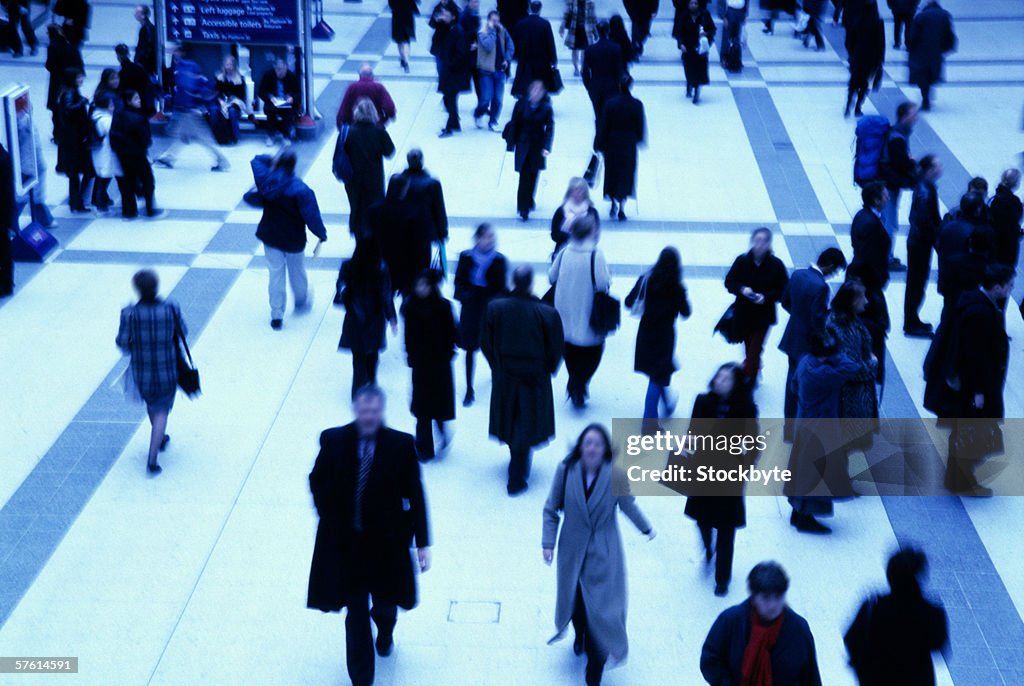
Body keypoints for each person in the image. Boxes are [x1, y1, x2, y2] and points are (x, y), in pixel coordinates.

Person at [306, 385, 431, 686]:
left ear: (381, 412)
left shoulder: (400, 446)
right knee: (356, 614)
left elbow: (415, 494)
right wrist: (329, 513)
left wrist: (422, 543)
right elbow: (316, 479)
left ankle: (386, 630)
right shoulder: (334, 440)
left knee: (385, 604)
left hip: (385, 545)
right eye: (364, 411)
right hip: (348, 546)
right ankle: (362, 678)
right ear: (356, 410)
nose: (369, 417)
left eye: (374, 412)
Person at [543, 424, 654, 686]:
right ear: (581, 446)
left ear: (605, 449)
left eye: (597, 443)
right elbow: (551, 509)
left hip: (604, 550)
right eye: (588, 443)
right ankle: (579, 631)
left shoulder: (615, 475)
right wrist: (548, 543)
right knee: (577, 601)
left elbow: (628, 504)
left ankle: (595, 666)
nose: (592, 448)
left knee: (603, 609)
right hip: (572, 549)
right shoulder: (565, 470)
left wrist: (645, 526)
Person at [481, 265, 564, 495]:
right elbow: (556, 346)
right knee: (526, 420)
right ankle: (517, 472)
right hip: (533, 377)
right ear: (530, 283)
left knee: (511, 417)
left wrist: (496, 366)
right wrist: (548, 369)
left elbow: (485, 342)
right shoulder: (545, 312)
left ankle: (516, 465)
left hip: (506, 375)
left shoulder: (496, 308)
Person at [683, 363, 759, 597]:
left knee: (726, 528)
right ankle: (708, 547)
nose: (720, 381)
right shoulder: (703, 402)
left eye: (726, 378)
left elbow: (753, 443)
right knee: (702, 519)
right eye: (718, 376)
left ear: (735, 385)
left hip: (730, 473)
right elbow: (692, 433)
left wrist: (746, 468)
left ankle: (722, 578)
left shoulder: (745, 408)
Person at [944, 265, 1014, 495]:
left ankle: (957, 477)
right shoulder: (980, 313)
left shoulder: (975, 302)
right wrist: (978, 391)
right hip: (978, 387)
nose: (1011, 290)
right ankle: (962, 479)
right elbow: (975, 355)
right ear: (996, 288)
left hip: (977, 384)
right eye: (1009, 286)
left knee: (968, 429)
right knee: (974, 431)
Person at [786, 331, 862, 533]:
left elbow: (794, 386)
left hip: (806, 421)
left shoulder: (806, 362)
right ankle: (805, 517)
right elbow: (852, 366)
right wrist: (836, 356)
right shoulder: (822, 373)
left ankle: (798, 512)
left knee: (803, 469)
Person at [115, 270, 188, 475]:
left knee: (151, 403)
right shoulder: (170, 308)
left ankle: (160, 436)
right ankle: (152, 458)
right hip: (167, 366)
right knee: (163, 408)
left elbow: (122, 343)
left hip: (142, 368)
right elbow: (183, 331)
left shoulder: (129, 313)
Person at [701, 562, 822, 684]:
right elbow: (710, 660)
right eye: (766, 598)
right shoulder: (730, 621)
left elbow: (811, 676)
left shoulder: (799, 630)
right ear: (753, 597)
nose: (773, 605)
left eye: (778, 597)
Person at [845, 547, 949, 686]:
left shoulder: (873, 606)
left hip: (877, 677)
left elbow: (851, 637)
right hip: (916, 679)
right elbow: (938, 644)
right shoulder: (931, 612)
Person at [251, 150, 328, 330]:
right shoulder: (301, 189)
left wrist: (274, 160)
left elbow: (256, 160)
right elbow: (311, 216)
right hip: (294, 238)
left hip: (270, 235)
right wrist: (321, 233)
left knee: (275, 274)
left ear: (278, 164)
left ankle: (276, 314)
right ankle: (301, 302)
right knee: (297, 272)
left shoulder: (266, 181)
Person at [779, 247, 848, 438]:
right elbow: (818, 321)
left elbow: (785, 301)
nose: (832, 276)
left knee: (790, 383)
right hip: (806, 344)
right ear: (829, 266)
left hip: (792, 337)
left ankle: (789, 428)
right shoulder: (820, 287)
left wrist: (798, 316)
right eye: (834, 271)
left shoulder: (798, 274)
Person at [548, 216, 610, 409]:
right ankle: (579, 383)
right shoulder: (596, 255)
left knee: (570, 350)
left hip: (565, 310)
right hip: (588, 311)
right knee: (593, 351)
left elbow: (551, 277)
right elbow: (602, 284)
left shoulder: (564, 251)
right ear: (591, 232)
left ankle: (575, 382)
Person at [624, 247, 691, 420]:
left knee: (657, 372)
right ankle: (649, 423)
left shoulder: (646, 279)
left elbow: (628, 301)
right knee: (658, 375)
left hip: (646, 333)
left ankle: (668, 404)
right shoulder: (676, 286)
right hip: (665, 336)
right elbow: (686, 312)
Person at [402, 270, 457, 460]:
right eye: (418, 285)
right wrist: (410, 355)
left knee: (437, 405)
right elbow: (408, 335)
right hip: (422, 363)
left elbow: (452, 332)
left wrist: (449, 352)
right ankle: (425, 448)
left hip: (439, 362)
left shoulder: (443, 307)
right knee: (423, 410)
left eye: (424, 285)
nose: (421, 289)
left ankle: (441, 431)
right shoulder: (410, 308)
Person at [724, 227, 790, 383]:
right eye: (757, 240)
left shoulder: (776, 265)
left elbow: (784, 290)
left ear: (768, 244)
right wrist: (742, 289)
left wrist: (765, 297)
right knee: (750, 349)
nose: (759, 244)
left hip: (763, 316)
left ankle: (748, 384)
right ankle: (753, 366)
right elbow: (729, 282)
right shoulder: (742, 262)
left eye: (763, 241)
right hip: (743, 314)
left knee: (754, 351)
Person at [454, 223, 508, 406]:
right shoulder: (466, 257)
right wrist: (468, 295)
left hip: (490, 308)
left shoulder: (499, 260)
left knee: (492, 347)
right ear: (477, 238)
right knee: (470, 349)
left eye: (491, 237)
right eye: (485, 236)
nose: (488, 240)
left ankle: (498, 379)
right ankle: (469, 388)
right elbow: (459, 284)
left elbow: (501, 288)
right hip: (471, 308)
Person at [337, 240, 398, 398]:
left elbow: (341, 289)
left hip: (354, 318)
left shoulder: (348, 267)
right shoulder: (381, 269)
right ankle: (371, 384)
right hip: (375, 318)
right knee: (372, 355)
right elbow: (386, 294)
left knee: (358, 358)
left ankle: (357, 391)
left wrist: (347, 301)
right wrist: (391, 316)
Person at [156, 48, 230, 172]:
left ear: (181, 52)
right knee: (180, 136)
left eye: (176, 51)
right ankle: (169, 158)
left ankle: (222, 160)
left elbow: (188, 87)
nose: (173, 53)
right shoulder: (185, 66)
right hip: (187, 110)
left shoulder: (186, 67)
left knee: (203, 138)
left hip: (188, 110)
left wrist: (188, 101)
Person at [827, 280, 880, 447]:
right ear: (852, 301)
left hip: (853, 397)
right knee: (849, 444)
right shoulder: (845, 329)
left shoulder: (844, 320)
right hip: (852, 399)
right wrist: (872, 363)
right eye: (862, 297)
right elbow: (851, 369)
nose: (866, 300)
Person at [343, 99, 397, 239]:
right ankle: (374, 237)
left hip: (353, 177)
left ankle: (358, 236)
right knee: (374, 207)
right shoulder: (379, 132)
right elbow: (389, 152)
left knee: (356, 206)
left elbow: (342, 153)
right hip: (374, 177)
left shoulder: (349, 132)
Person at [904, 154, 943, 337]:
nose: (940, 169)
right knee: (916, 282)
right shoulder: (925, 191)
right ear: (929, 170)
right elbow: (925, 221)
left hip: (919, 241)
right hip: (920, 243)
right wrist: (938, 239)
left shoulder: (925, 186)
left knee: (917, 282)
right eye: (937, 166)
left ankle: (913, 319)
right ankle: (911, 323)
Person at [504, 81, 554, 221]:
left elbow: (550, 127)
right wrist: (510, 144)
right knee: (524, 176)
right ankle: (523, 207)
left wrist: (547, 146)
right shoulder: (521, 105)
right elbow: (514, 123)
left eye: (539, 90)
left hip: (537, 145)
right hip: (523, 144)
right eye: (534, 90)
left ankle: (530, 199)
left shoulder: (546, 108)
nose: (536, 93)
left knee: (534, 175)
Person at [597, 76, 645, 221]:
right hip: (628, 143)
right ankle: (622, 207)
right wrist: (638, 139)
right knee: (626, 173)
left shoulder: (610, 103)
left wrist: (600, 143)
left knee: (612, 172)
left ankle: (612, 202)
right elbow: (640, 125)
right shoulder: (637, 104)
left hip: (612, 142)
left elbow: (604, 125)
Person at [878, 102, 919, 268]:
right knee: (890, 223)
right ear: (904, 116)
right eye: (913, 114)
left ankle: (883, 255)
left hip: (886, 184)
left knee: (885, 220)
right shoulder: (897, 138)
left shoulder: (898, 133)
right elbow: (900, 163)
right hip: (889, 186)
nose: (916, 118)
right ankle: (885, 258)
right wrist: (912, 163)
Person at [110, 89, 160, 219]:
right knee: (148, 181)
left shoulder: (117, 115)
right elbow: (145, 139)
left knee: (127, 183)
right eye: (136, 99)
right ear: (129, 101)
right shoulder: (138, 118)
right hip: (138, 154)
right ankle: (150, 209)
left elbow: (113, 137)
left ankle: (129, 211)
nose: (140, 101)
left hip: (123, 155)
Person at [371, 175, 423, 297]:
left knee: (385, 293)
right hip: (405, 261)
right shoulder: (412, 211)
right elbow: (417, 241)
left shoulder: (374, 210)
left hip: (382, 258)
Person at [397, 149, 449, 260]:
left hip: (402, 231)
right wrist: (442, 232)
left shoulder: (398, 181)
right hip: (424, 233)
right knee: (422, 265)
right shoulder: (432, 183)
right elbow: (439, 210)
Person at [56, 67, 94, 213]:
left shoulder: (66, 91)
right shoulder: (69, 93)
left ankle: (76, 201)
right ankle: (77, 201)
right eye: (78, 77)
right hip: (74, 140)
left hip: (71, 139)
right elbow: (70, 110)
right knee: (79, 172)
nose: (81, 79)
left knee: (75, 174)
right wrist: (83, 102)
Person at [907, 0, 955, 110]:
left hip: (921, 51)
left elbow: (913, 35)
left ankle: (925, 97)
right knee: (931, 74)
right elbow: (949, 34)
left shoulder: (921, 16)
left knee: (922, 75)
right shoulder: (944, 15)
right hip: (936, 51)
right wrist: (946, 48)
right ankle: (927, 95)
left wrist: (910, 48)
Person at [474, 10, 515, 131]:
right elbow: (488, 45)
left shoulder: (502, 30)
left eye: (497, 20)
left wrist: (507, 59)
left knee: (498, 99)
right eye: (493, 20)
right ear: (488, 20)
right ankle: (478, 114)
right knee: (486, 98)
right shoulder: (483, 32)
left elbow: (510, 45)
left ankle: (493, 121)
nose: (495, 23)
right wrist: (491, 30)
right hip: (486, 71)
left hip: (500, 71)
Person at [844, 0, 885, 118]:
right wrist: (880, 59)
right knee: (865, 83)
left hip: (857, 57)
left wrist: (851, 54)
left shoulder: (856, 22)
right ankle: (858, 106)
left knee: (853, 81)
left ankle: (848, 105)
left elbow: (849, 41)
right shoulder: (878, 23)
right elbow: (881, 43)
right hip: (872, 58)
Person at [510, 1, 558, 98]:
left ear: (529, 8)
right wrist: (553, 59)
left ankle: (525, 100)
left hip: (525, 59)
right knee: (540, 82)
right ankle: (539, 100)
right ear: (540, 9)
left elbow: (514, 42)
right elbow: (550, 43)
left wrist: (515, 56)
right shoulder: (545, 24)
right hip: (542, 60)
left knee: (524, 81)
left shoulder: (521, 23)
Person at [582, 20, 625, 125]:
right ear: (608, 31)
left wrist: (589, 86)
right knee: (611, 118)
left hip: (596, 86)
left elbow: (585, 72)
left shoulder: (590, 50)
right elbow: (619, 70)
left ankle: (599, 137)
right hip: (612, 86)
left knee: (598, 116)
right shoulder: (616, 48)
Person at [437, 6, 472, 137]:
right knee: (449, 99)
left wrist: (450, 65)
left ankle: (449, 127)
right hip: (450, 72)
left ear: (453, 17)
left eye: (446, 15)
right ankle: (455, 123)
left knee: (449, 99)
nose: (443, 17)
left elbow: (461, 53)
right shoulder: (447, 29)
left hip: (453, 73)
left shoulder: (457, 31)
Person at [674, 0, 716, 104]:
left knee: (699, 69)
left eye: (696, 3)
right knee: (689, 68)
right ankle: (690, 84)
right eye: (691, 3)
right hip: (688, 47)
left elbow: (712, 29)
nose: (693, 5)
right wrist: (681, 44)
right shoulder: (683, 16)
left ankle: (696, 90)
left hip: (700, 47)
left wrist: (706, 34)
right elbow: (678, 31)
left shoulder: (705, 15)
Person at [45, 24, 83, 138]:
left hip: (57, 80)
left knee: (56, 108)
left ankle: (57, 134)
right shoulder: (71, 46)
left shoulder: (53, 46)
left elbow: (49, 65)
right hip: (71, 79)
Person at [550, 178, 600, 255]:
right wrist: (572, 237)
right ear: (570, 192)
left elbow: (596, 236)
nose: (578, 193)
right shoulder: (561, 211)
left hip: (586, 252)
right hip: (564, 251)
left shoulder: (591, 212)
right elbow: (554, 235)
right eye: (575, 190)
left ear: (585, 193)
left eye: (581, 190)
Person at [258, 58, 301, 143]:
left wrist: (292, 98)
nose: (280, 73)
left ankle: (286, 135)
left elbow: (298, 93)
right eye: (278, 70)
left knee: (288, 112)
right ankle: (270, 135)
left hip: (287, 103)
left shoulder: (292, 76)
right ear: (275, 69)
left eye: (282, 70)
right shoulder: (268, 75)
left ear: (286, 68)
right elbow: (261, 91)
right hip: (272, 102)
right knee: (270, 112)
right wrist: (270, 97)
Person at [89, 94, 120, 214]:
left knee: (102, 177)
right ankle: (99, 203)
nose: (113, 108)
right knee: (104, 178)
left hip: (100, 152)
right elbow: (113, 134)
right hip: (105, 153)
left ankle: (99, 199)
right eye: (111, 105)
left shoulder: (95, 116)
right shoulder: (105, 120)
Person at [210, 55, 249, 146]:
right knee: (214, 110)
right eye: (227, 65)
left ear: (234, 66)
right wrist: (221, 101)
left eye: (230, 65)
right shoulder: (219, 77)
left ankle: (234, 136)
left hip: (235, 103)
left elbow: (241, 96)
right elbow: (216, 93)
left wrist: (231, 101)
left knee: (231, 111)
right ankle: (216, 136)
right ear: (224, 65)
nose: (229, 67)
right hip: (221, 102)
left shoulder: (240, 79)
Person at [990, 168, 1023, 269]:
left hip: (992, 248)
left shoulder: (993, 199)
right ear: (1016, 183)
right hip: (1006, 252)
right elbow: (1011, 228)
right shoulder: (1013, 202)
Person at [560, 0, 597, 76]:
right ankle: (576, 68)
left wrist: (595, 32)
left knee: (584, 50)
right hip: (575, 29)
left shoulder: (590, 3)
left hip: (586, 30)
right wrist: (562, 27)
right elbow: (565, 15)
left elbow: (593, 18)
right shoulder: (571, 2)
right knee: (575, 50)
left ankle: (582, 69)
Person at [116, 42, 152, 115]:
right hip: (143, 101)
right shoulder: (139, 67)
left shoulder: (122, 72)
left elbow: (121, 90)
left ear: (118, 56)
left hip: (131, 104)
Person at [429, 0, 461, 82]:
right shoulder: (437, 8)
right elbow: (431, 24)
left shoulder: (454, 8)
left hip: (451, 39)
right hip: (439, 40)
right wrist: (436, 20)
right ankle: (442, 80)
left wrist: (448, 20)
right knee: (439, 63)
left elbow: (458, 23)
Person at [0, 143, 14, 298]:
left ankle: (5, 283)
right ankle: (7, 283)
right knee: (4, 248)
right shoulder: (4, 156)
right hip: (4, 212)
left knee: (3, 248)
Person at [389, 0, 419, 72]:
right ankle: (405, 60)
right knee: (406, 40)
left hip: (397, 18)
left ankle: (403, 58)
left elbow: (391, 5)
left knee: (399, 40)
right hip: (408, 17)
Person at [720, 0, 747, 72]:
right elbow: (721, 2)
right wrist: (723, 16)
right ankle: (724, 58)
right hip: (730, 11)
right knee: (727, 36)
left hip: (740, 12)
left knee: (738, 37)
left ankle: (737, 59)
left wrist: (745, 14)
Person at [133, 3, 157, 77]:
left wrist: (138, 61)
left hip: (145, 65)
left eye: (137, 12)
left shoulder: (146, 28)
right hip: (146, 64)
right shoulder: (147, 27)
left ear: (143, 15)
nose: (135, 14)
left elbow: (146, 47)